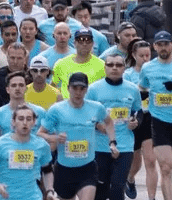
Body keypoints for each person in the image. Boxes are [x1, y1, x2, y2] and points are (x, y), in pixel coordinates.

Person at [38, 72, 119, 200]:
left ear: (86, 89)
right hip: (64, 169)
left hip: (87, 168)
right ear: (68, 88)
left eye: (82, 88)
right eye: (74, 88)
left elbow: (109, 122)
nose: (78, 92)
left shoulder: (96, 108)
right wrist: (55, 138)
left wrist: (112, 142)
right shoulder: (57, 109)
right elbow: (40, 133)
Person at [85, 54, 141, 200]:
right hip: (100, 146)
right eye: (110, 65)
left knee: (117, 186)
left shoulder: (132, 89)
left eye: (118, 65)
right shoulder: (94, 89)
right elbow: (85, 114)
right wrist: (97, 125)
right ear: (105, 68)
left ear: (124, 68)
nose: (114, 68)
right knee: (101, 188)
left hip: (124, 145)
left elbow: (138, 111)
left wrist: (135, 122)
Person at [0, 105, 57, 200]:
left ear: (34, 123)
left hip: (33, 196)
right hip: (6, 197)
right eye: (21, 119)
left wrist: (50, 190)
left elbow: (47, 170)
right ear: (13, 122)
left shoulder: (41, 145)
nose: (25, 123)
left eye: (29, 119)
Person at [138, 30, 172, 200]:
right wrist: (144, 107)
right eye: (160, 44)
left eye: (166, 43)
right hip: (160, 121)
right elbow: (142, 88)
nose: (163, 47)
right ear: (155, 46)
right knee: (166, 167)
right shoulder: (148, 67)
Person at [124, 38, 159, 200]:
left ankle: (151, 197)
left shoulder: (155, 71)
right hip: (134, 118)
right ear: (134, 55)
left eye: (148, 55)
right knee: (136, 162)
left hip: (150, 117)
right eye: (142, 56)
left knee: (151, 161)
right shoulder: (128, 74)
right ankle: (130, 179)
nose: (146, 59)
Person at [53, 28, 106, 97]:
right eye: (80, 40)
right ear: (74, 43)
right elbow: (53, 87)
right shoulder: (61, 64)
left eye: (88, 41)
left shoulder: (102, 65)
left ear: (93, 43)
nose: (84, 44)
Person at [0, 71, 47, 135]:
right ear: (7, 89)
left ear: (26, 88)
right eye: (14, 85)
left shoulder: (39, 112)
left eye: (21, 85)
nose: (17, 88)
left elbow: (48, 135)